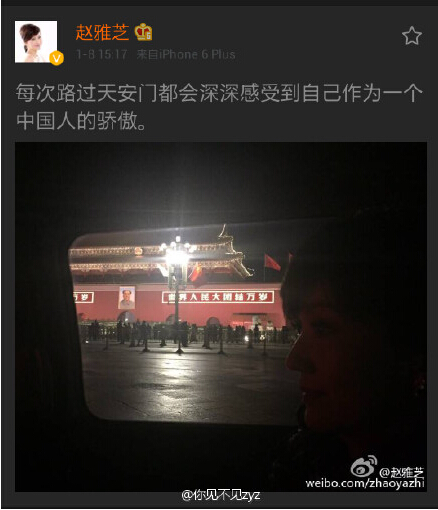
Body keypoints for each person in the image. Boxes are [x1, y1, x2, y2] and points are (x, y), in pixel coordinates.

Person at [271, 210, 426, 490]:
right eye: (299, 328)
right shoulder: (301, 459)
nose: (294, 360)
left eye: (323, 328)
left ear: (409, 341)